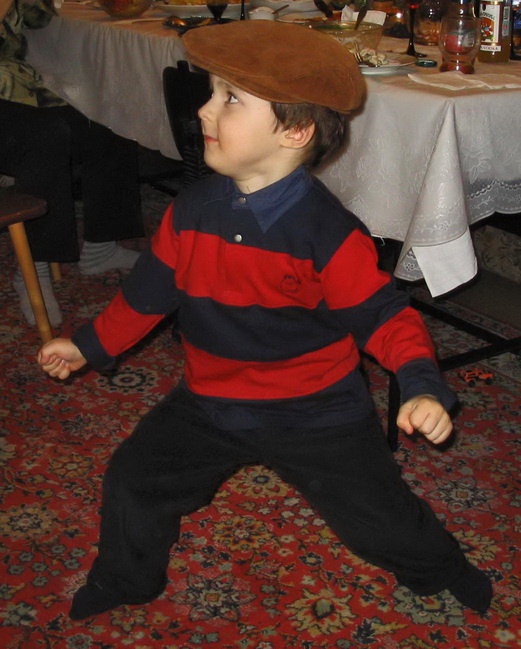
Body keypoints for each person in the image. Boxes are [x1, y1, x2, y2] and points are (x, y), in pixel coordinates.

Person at [37, 20, 493, 622]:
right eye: (211, 93)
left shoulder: (328, 235)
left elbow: (385, 318)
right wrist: (87, 346)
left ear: (296, 131)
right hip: (209, 399)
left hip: (315, 409)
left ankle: (444, 569)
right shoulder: (190, 210)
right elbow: (145, 297)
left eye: (229, 99)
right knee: (135, 479)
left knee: (377, 516)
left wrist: (421, 384)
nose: (204, 110)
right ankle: (125, 579)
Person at [1, 0, 144, 327]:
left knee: (108, 117)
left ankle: (101, 247)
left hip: (18, 88)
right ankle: (34, 269)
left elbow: (38, 17)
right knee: (44, 134)